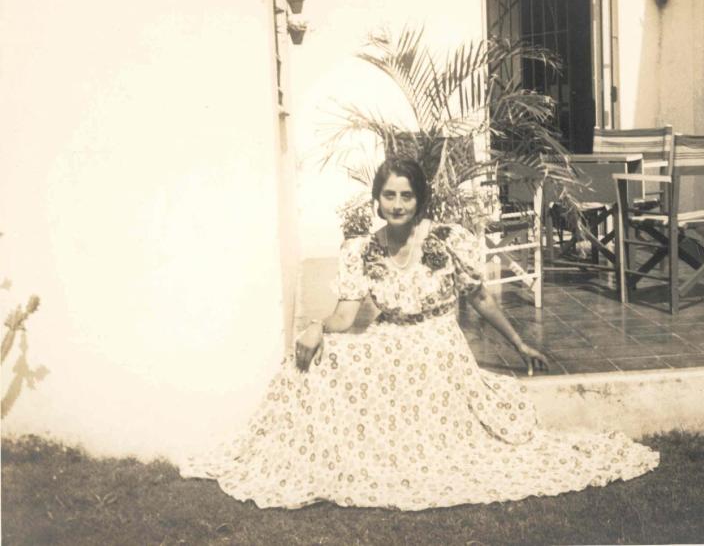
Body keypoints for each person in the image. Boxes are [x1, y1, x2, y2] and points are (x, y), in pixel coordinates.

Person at [180, 159, 659, 510]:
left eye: (406, 195)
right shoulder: (362, 249)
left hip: (437, 350)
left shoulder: (449, 240)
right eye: (389, 195)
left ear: (420, 199)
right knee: (311, 361)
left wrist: (518, 343)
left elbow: (479, 298)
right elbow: (346, 317)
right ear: (377, 199)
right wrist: (312, 326)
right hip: (388, 344)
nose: (397, 204)